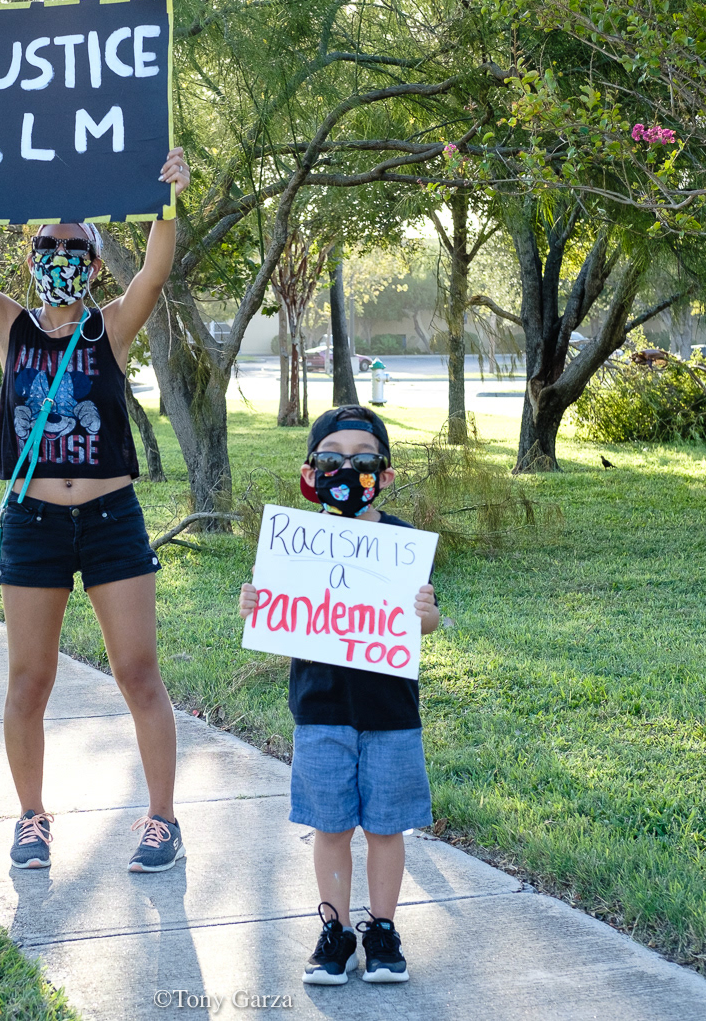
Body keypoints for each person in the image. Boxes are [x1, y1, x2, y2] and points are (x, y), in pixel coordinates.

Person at [0, 113, 192, 874]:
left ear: (94, 263)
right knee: (29, 679)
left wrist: (168, 198)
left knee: (139, 672)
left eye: (76, 247)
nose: (60, 255)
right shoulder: (9, 327)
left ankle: (163, 819)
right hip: (32, 521)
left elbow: (156, 271)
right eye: (48, 245)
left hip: (111, 521)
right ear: (32, 256)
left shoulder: (110, 329)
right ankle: (31, 816)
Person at [237, 405, 440, 985]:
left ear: (387, 474)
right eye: (332, 460)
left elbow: (421, 621)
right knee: (330, 827)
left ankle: (381, 930)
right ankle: (335, 930)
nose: (347, 469)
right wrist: (256, 604)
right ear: (311, 473)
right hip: (320, 710)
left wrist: (427, 615)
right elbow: (280, 612)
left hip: (392, 712)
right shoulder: (295, 543)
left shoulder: (403, 544)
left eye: (362, 460)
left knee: (385, 827)